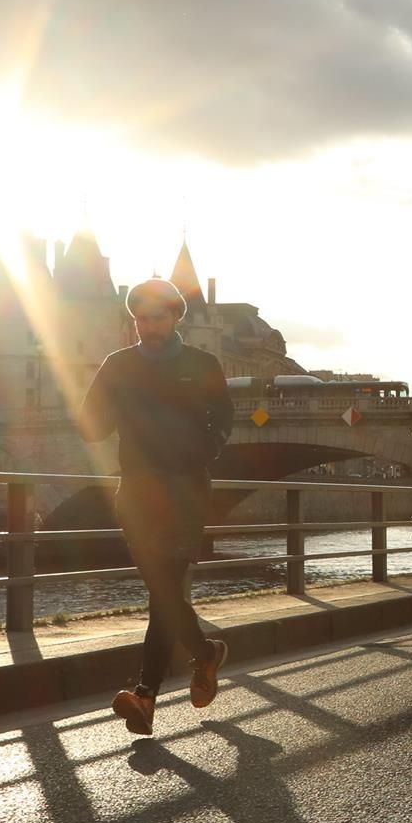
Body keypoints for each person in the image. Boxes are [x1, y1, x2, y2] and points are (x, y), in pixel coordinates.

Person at [86, 278, 233, 735]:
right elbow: (92, 426)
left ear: (174, 318)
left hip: (185, 490)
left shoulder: (202, 364)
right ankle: (205, 654)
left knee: (164, 588)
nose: (148, 326)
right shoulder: (117, 365)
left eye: (157, 317)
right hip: (136, 490)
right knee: (162, 590)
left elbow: (225, 419)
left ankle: (146, 695)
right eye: (141, 319)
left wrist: (204, 449)